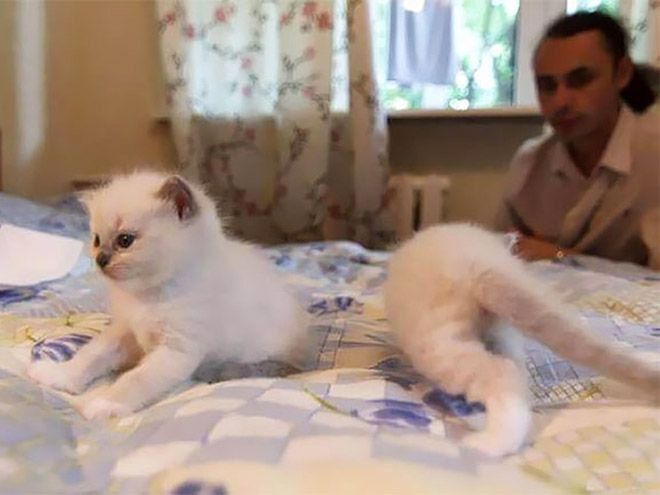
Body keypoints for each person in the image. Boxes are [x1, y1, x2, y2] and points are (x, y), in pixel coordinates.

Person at [494, 11, 659, 265]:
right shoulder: (529, 165)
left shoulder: (653, 154)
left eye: (580, 80)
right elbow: (499, 257)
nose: (560, 101)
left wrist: (561, 257)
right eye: (547, 86)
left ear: (622, 73)